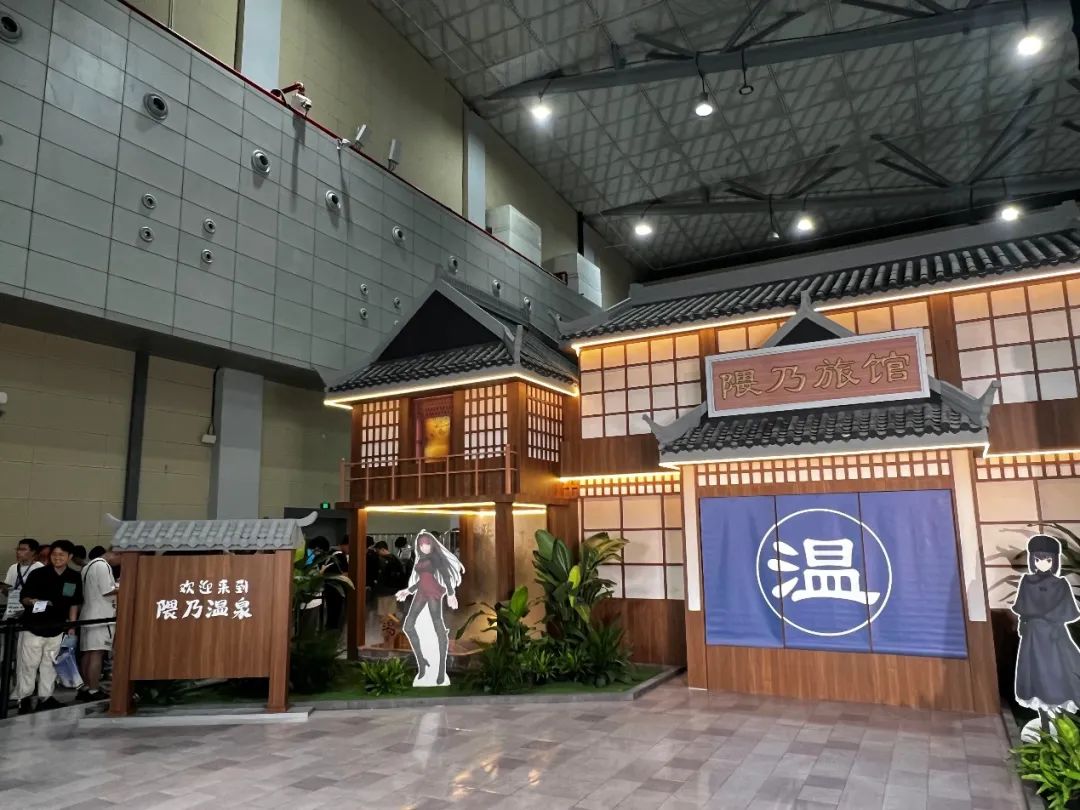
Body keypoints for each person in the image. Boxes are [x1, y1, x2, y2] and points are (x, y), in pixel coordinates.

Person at [1013, 534, 1080, 730]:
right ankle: (1044, 724)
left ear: (1055, 560)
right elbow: (1022, 608)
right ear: (1032, 560)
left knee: (1059, 674)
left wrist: (1048, 620)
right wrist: (1023, 622)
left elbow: (1067, 610)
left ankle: (1063, 725)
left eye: (1048, 559)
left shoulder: (1061, 584)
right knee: (1035, 676)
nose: (1043, 563)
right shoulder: (1026, 581)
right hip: (1033, 638)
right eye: (1038, 559)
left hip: (1054, 636)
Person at [12, 539, 83, 713]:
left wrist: (72, 626)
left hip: (57, 628)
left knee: (50, 665)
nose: (57, 558)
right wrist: (32, 601)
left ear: (70, 556)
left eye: (61, 555)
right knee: (28, 664)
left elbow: (74, 603)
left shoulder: (73, 577)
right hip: (34, 626)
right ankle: (24, 699)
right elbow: (24, 597)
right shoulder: (38, 574)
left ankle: (46, 697)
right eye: (54, 554)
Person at [395, 531, 464, 686]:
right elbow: (422, 580)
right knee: (408, 626)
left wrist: (451, 594)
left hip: (433, 592)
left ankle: (441, 669)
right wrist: (408, 591)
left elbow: (445, 576)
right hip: (421, 592)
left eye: (426, 544)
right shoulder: (422, 558)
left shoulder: (435, 557)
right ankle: (422, 661)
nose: (424, 547)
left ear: (432, 544)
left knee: (438, 627)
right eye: (421, 545)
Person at [76, 546, 118, 702]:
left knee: (88, 652)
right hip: (101, 615)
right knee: (97, 653)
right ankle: (94, 689)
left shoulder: (89, 565)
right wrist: (122, 585)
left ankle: (86, 687)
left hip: (88, 614)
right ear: (116, 553)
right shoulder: (102, 565)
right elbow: (107, 590)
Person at [2, 539, 43, 621]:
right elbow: (8, 592)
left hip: (32, 610)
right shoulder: (13, 567)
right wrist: (4, 589)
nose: (18, 552)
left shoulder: (40, 568)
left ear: (33, 552)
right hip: (14, 607)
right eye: (18, 549)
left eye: (23, 549)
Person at [324, 537, 349, 631]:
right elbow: (345, 574)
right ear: (345, 545)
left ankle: (329, 628)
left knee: (330, 611)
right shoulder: (340, 556)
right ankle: (335, 631)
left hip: (328, 587)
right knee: (337, 611)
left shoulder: (330, 553)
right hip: (338, 588)